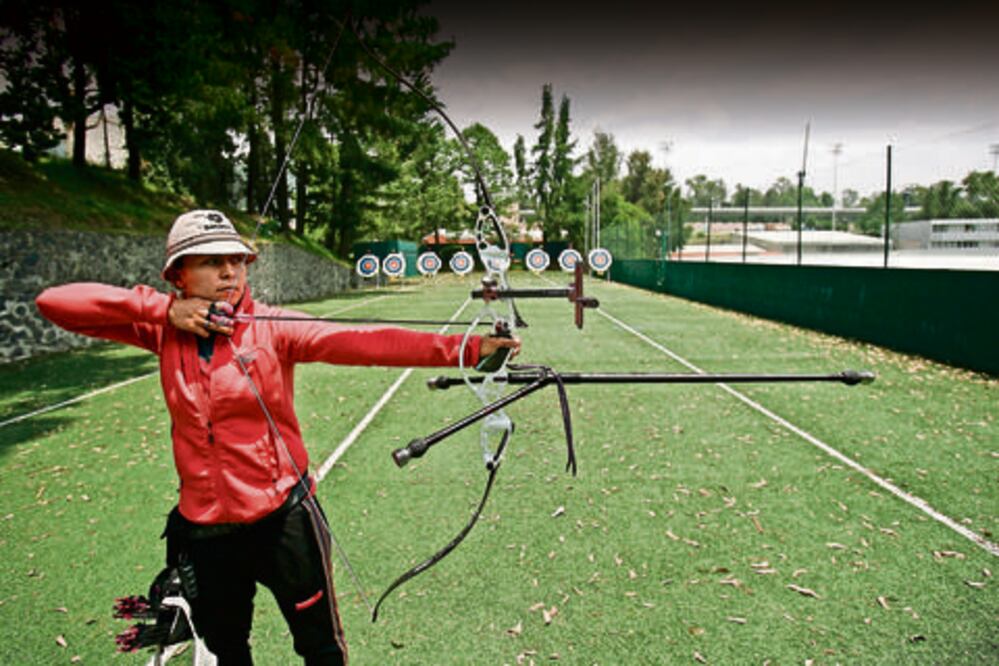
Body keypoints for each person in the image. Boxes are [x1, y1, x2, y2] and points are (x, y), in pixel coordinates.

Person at [35, 209, 520, 665]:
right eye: (212, 262)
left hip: (283, 521)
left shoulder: (270, 327)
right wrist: (165, 312)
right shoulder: (164, 329)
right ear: (179, 274)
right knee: (228, 649)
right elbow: (55, 303)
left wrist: (468, 347)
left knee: (321, 650)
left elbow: (365, 341)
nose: (230, 272)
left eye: (237, 261)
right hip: (205, 529)